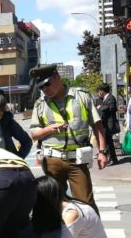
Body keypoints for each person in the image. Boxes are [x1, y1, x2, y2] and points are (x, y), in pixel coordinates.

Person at [29, 64, 108, 215]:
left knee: (86, 203)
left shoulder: (81, 97)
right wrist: (49, 129)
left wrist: (102, 152)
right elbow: (33, 134)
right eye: (41, 87)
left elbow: (98, 126)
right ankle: (60, 237)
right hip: (52, 160)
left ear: (58, 77)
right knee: (53, 204)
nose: (45, 89)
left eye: (47, 84)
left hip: (77, 161)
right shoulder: (40, 104)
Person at [97, 83, 120, 165]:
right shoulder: (104, 98)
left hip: (109, 124)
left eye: (100, 90)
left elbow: (112, 109)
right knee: (108, 142)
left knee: (109, 142)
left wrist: (101, 107)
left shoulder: (110, 98)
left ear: (103, 90)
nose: (99, 92)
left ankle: (112, 158)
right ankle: (113, 158)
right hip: (105, 124)